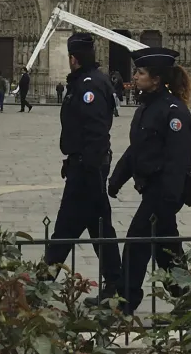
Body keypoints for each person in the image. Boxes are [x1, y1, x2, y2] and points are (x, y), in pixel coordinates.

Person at [106, 48, 191, 313]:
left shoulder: (173, 111)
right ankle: (188, 297)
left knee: (136, 244)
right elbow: (137, 149)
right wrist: (117, 178)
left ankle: (125, 301)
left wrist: (168, 200)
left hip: (163, 191)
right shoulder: (147, 107)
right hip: (152, 189)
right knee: (166, 249)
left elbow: (178, 159)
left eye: (140, 73)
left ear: (156, 79)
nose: (134, 77)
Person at [44, 32, 121, 295]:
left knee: (66, 228)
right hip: (84, 166)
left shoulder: (89, 85)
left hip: (88, 169)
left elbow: (95, 131)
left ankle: (41, 285)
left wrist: (87, 169)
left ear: (73, 59)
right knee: (99, 228)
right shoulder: (89, 81)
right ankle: (116, 284)